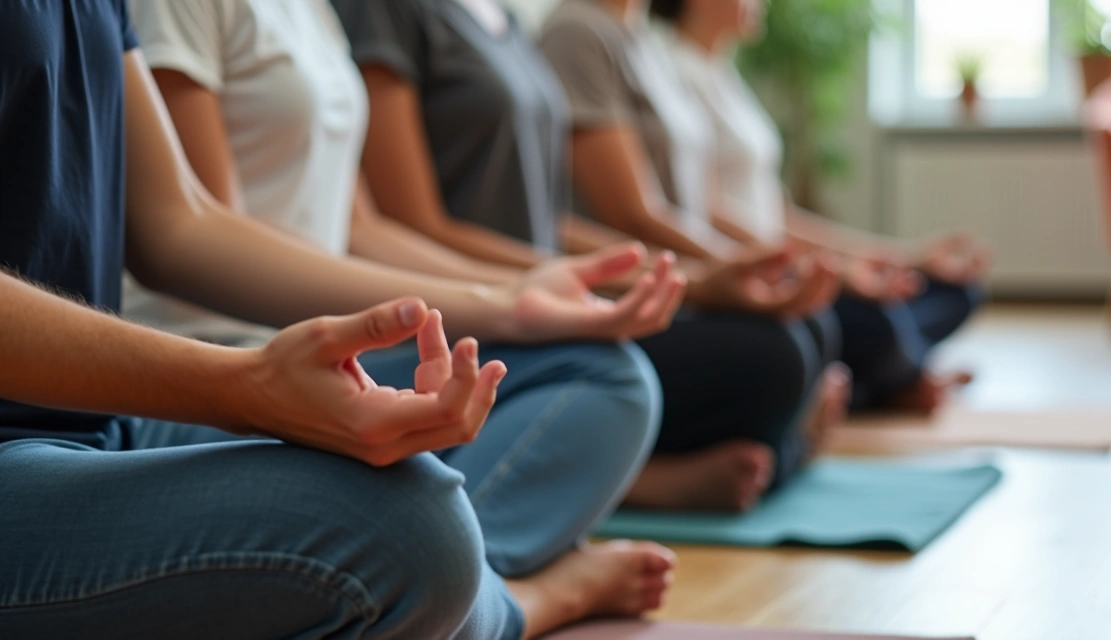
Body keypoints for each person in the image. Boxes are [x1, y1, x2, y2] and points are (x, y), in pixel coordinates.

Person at [0, 1, 682, 638]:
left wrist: (509, 303)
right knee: (412, 531)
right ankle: (517, 600)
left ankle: (468, 586)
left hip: (99, 421)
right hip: (48, 439)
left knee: (601, 370)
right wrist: (244, 387)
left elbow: (181, 224)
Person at [330, 0, 842, 514]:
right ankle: (648, 479)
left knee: (807, 334)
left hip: (529, 283)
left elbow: (550, 221)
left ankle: (759, 452)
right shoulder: (389, 11)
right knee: (770, 358)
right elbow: (412, 225)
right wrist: (526, 293)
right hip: (462, 304)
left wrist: (688, 277)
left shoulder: (506, 20)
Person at [652, 0, 992, 413]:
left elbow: (778, 213)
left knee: (956, 290)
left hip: (786, 255)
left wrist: (903, 256)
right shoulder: (669, 71)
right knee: (875, 322)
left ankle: (890, 376)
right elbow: (704, 208)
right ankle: (898, 374)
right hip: (758, 267)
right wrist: (819, 268)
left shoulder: (724, 74)